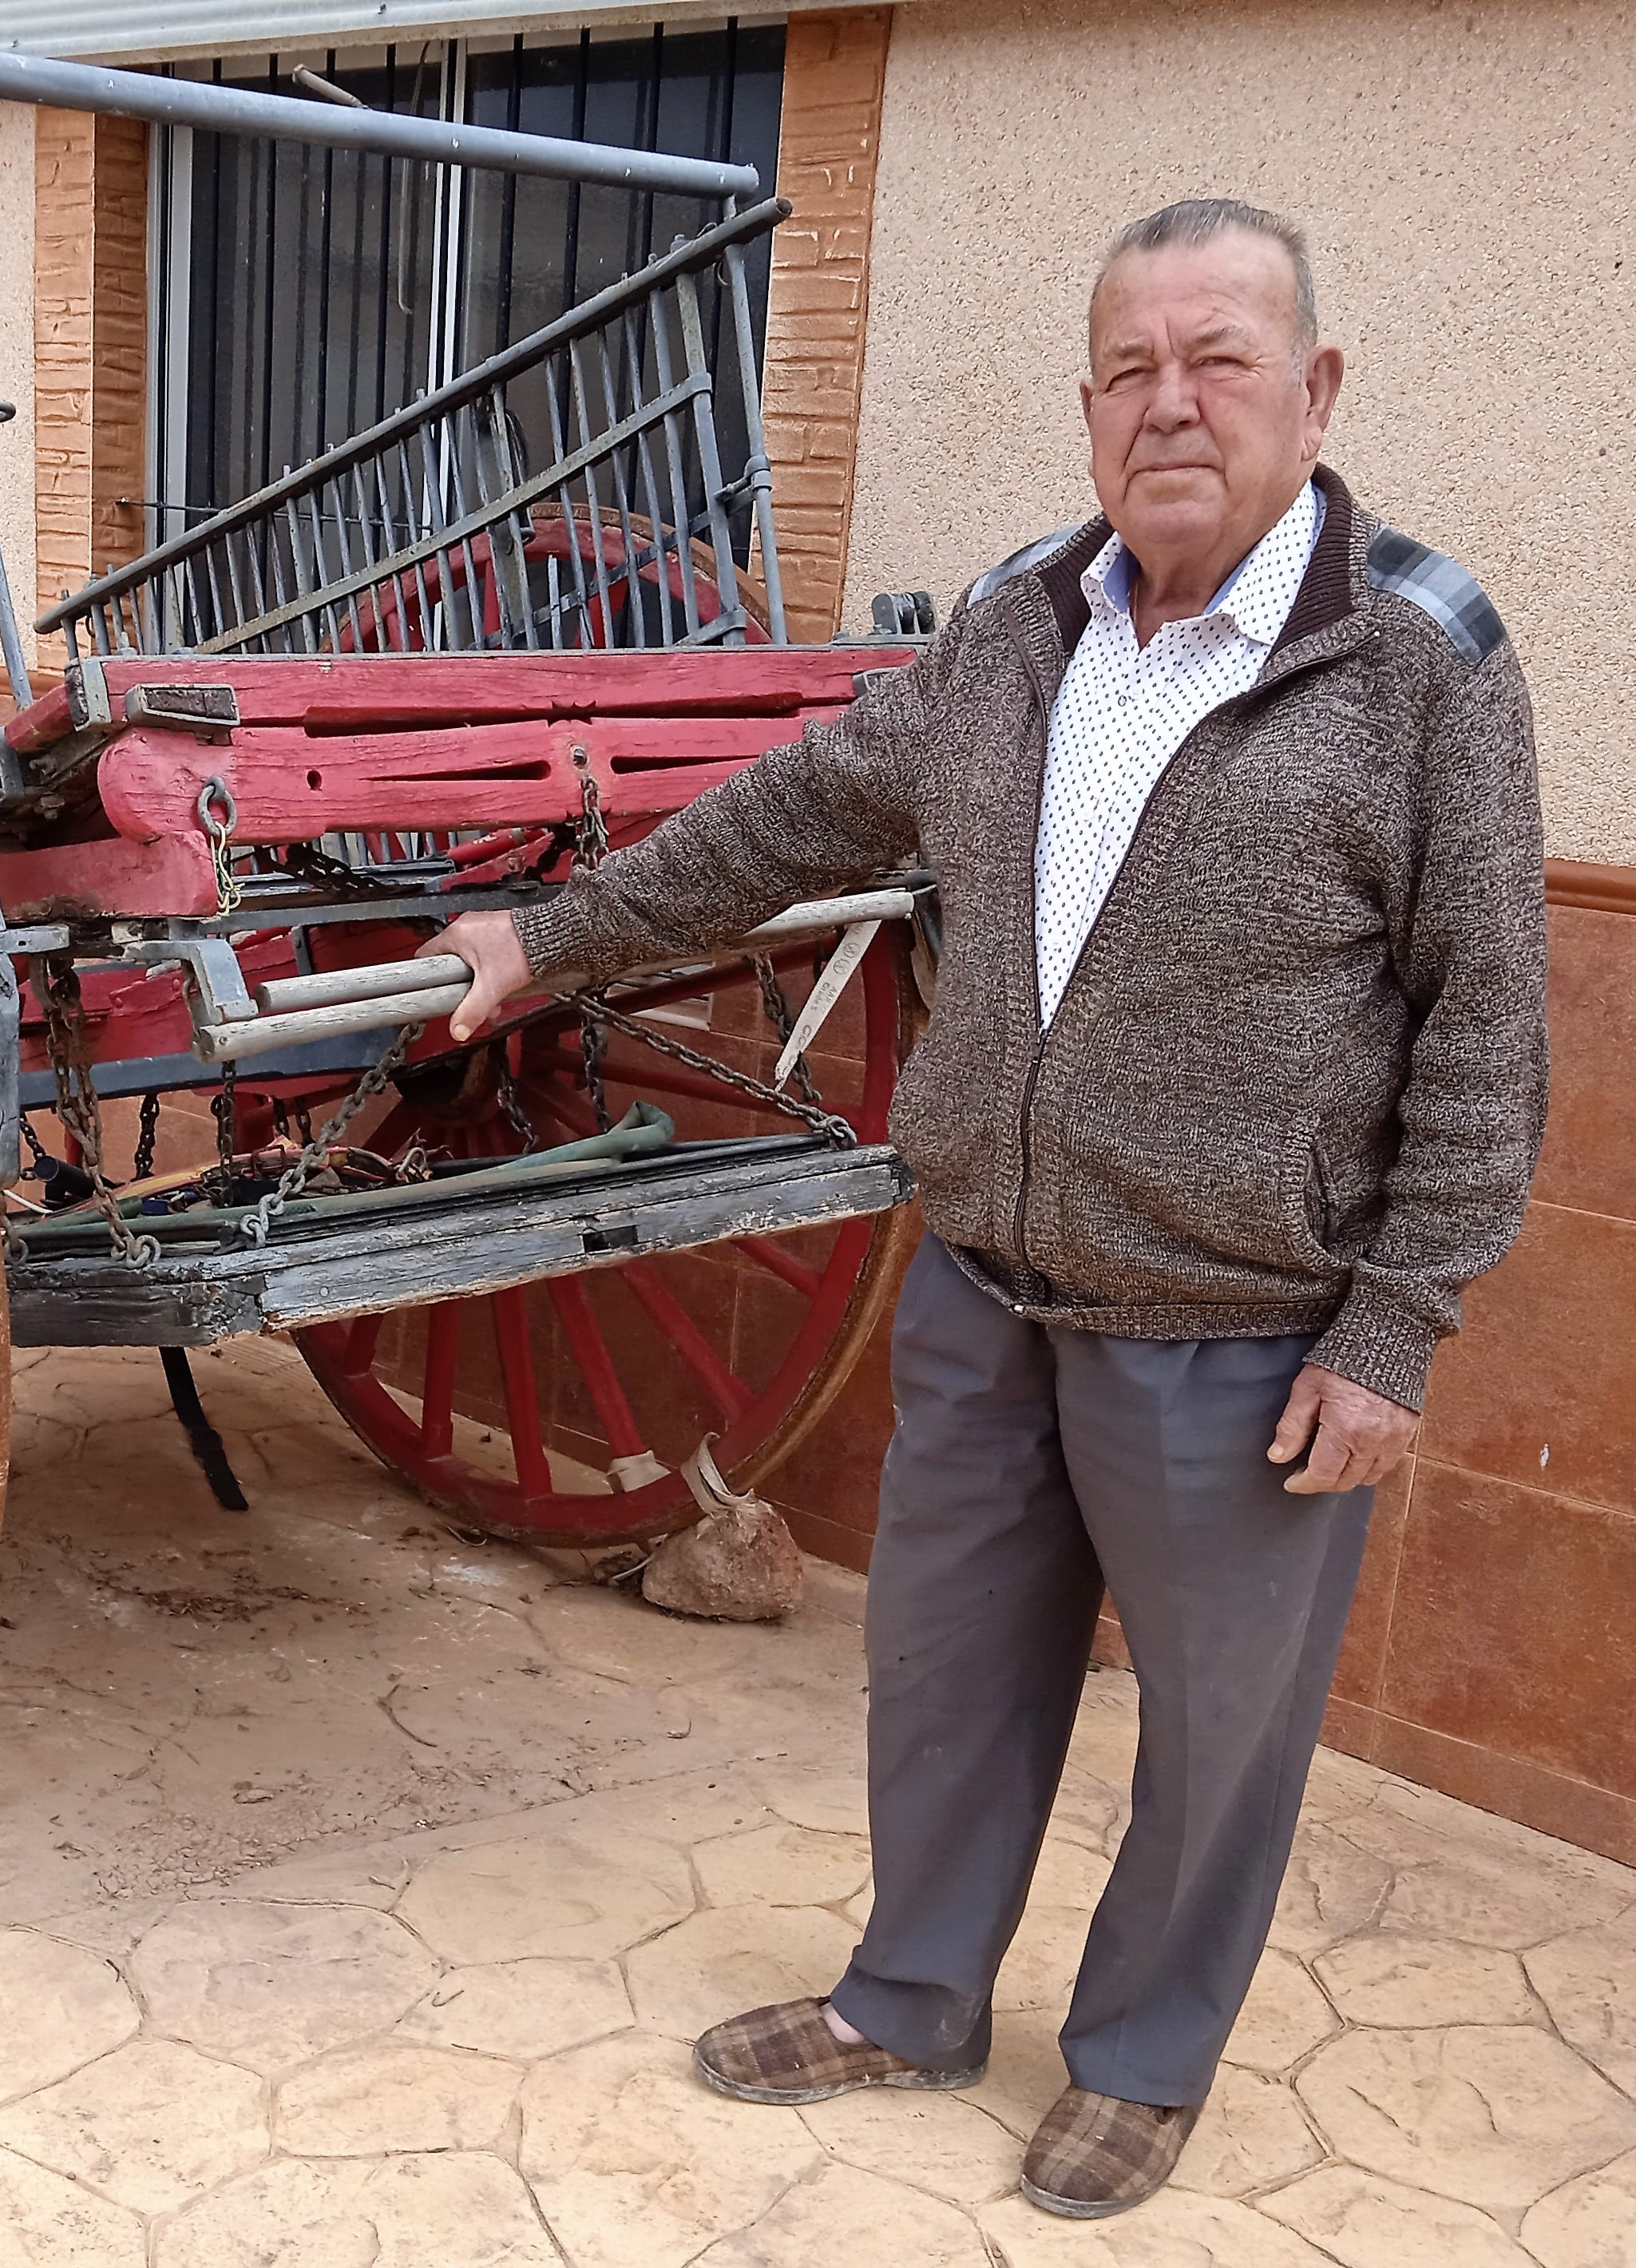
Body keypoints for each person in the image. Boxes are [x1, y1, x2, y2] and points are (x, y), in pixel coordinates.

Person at [427, 197, 1547, 2219]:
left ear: (1315, 388)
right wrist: (559, 940)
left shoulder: (1419, 658)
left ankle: (1139, 2053)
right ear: (1091, 402)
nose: (1170, 403)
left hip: (1241, 1319)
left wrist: (1399, 1321)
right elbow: (791, 816)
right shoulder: (1020, 619)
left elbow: (1485, 1011)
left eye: (1217, 359)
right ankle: (909, 1993)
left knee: (1215, 1735)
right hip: (981, 1283)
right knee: (940, 1674)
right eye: (1128, 367)